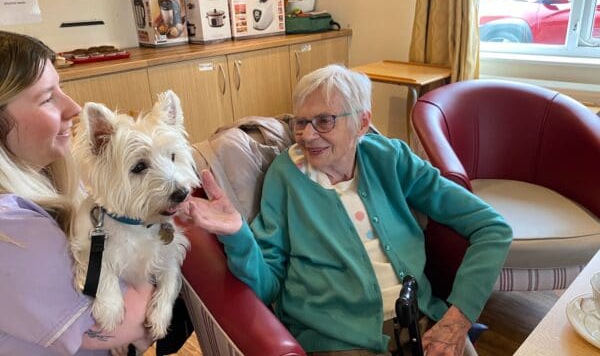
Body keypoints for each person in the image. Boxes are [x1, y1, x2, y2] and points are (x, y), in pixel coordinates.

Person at [182, 64, 513, 356]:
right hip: (336, 340)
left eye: (324, 121)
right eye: (301, 123)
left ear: (362, 122)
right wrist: (239, 235)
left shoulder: (391, 157)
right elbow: (267, 285)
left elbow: (492, 228)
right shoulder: (284, 177)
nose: (308, 135)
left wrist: (457, 319)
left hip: (424, 322)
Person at [0, 30, 154, 356]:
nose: (74, 107)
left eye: (61, 87)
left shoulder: (46, 180)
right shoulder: (11, 229)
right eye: (46, 98)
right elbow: (129, 324)